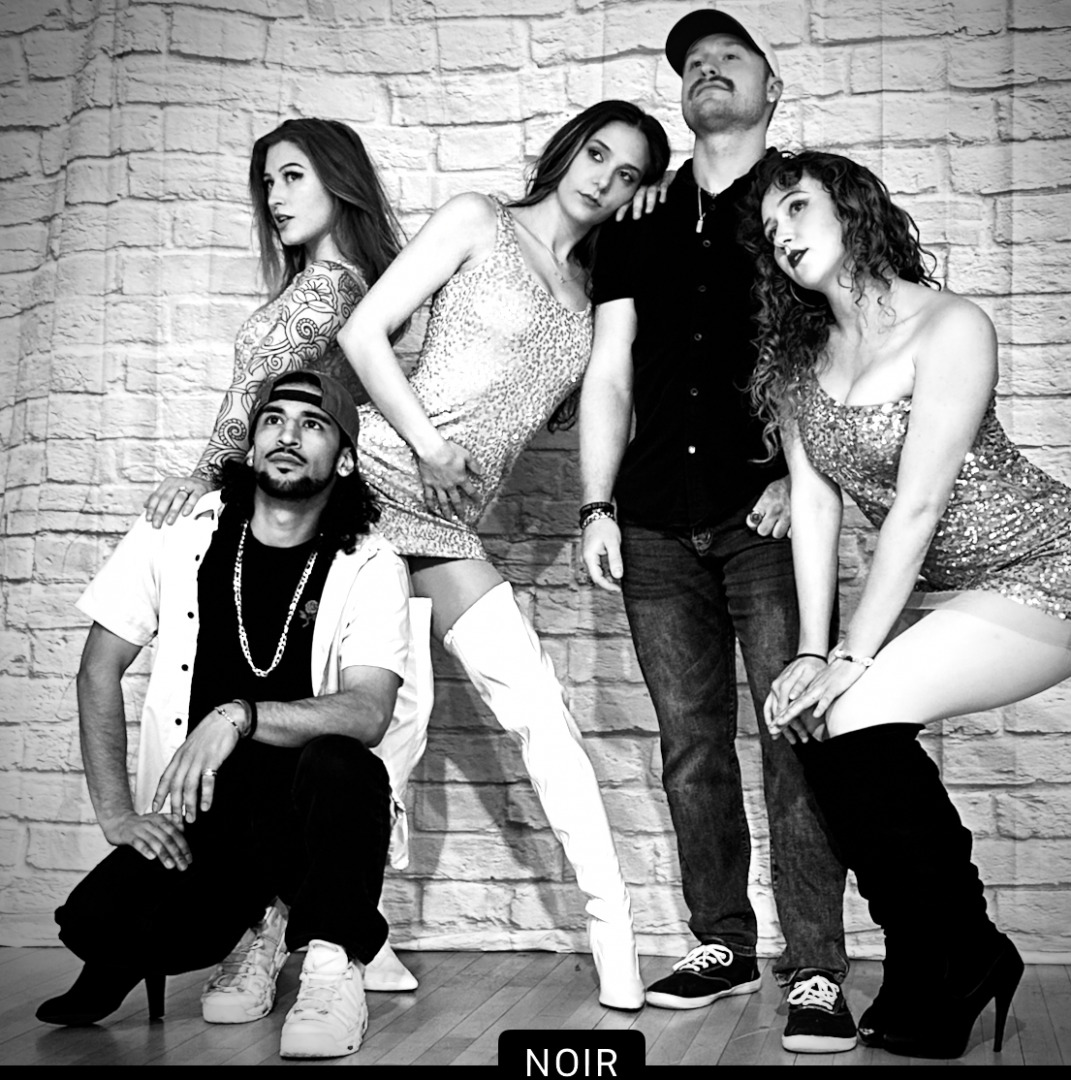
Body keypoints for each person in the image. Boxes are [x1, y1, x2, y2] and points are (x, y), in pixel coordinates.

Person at [150, 101, 670, 1009]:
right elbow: (362, 333)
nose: (603, 180)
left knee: (538, 711)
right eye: (596, 154)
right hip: (369, 490)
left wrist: (599, 504)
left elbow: (591, 406)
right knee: (367, 724)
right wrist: (428, 445)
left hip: (443, 526)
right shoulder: (477, 220)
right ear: (566, 150)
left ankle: (615, 946)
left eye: (627, 175)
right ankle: (308, 932)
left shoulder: (594, 298)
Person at [747, 148, 1071, 1059]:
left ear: (853, 208)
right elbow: (814, 509)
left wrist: (852, 656)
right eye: (768, 228)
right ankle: (940, 953)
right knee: (819, 719)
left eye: (797, 207)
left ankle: (953, 952)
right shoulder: (799, 360)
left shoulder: (950, 324)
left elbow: (918, 504)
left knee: (854, 710)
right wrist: (811, 652)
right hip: (946, 588)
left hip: (1041, 561)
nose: (781, 235)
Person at [579, 9, 856, 1053]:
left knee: (796, 740)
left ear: (772, 88)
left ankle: (816, 968)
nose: (705, 68)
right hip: (654, 517)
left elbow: (849, 340)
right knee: (690, 748)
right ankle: (722, 944)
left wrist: (804, 473)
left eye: (728, 56)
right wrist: (596, 503)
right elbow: (610, 367)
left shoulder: (801, 202)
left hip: (767, 517)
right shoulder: (639, 220)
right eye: (691, 62)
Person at [38, 370, 426, 1060]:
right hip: (205, 814)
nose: (287, 434)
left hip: (303, 818)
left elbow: (368, 711)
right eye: (273, 419)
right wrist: (118, 814)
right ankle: (260, 922)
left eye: (312, 424)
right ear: (250, 447)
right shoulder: (178, 531)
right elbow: (98, 668)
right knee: (97, 923)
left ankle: (331, 963)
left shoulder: (368, 564)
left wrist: (238, 716)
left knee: (342, 764)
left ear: (344, 460)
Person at [143, 117, 421, 994]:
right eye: (266, 181)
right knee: (323, 721)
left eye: (293, 176)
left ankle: (316, 925)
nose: (274, 197)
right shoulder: (347, 285)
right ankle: (328, 924)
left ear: (340, 180)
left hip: (329, 525)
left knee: (348, 723)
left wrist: (205, 475)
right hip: (311, 518)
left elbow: (263, 404)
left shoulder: (336, 290)